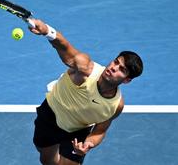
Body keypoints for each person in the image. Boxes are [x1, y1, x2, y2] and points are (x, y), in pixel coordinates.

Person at [28, 19, 143, 165]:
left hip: (77, 131)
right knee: (47, 161)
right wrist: (47, 31)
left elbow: (100, 130)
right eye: (116, 62)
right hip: (51, 116)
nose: (114, 68)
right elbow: (65, 48)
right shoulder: (86, 69)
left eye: (122, 69)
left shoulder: (116, 105)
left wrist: (88, 144)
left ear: (127, 80)